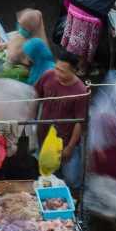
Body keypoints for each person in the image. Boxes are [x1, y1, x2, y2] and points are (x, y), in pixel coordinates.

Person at [33, 51, 88, 188]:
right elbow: (34, 97)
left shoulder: (80, 91)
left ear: (75, 71)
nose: (57, 73)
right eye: (56, 68)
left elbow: (79, 122)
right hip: (44, 134)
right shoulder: (48, 76)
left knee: (71, 178)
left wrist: (69, 147)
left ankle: (74, 199)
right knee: (48, 169)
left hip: (66, 139)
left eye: (62, 71)